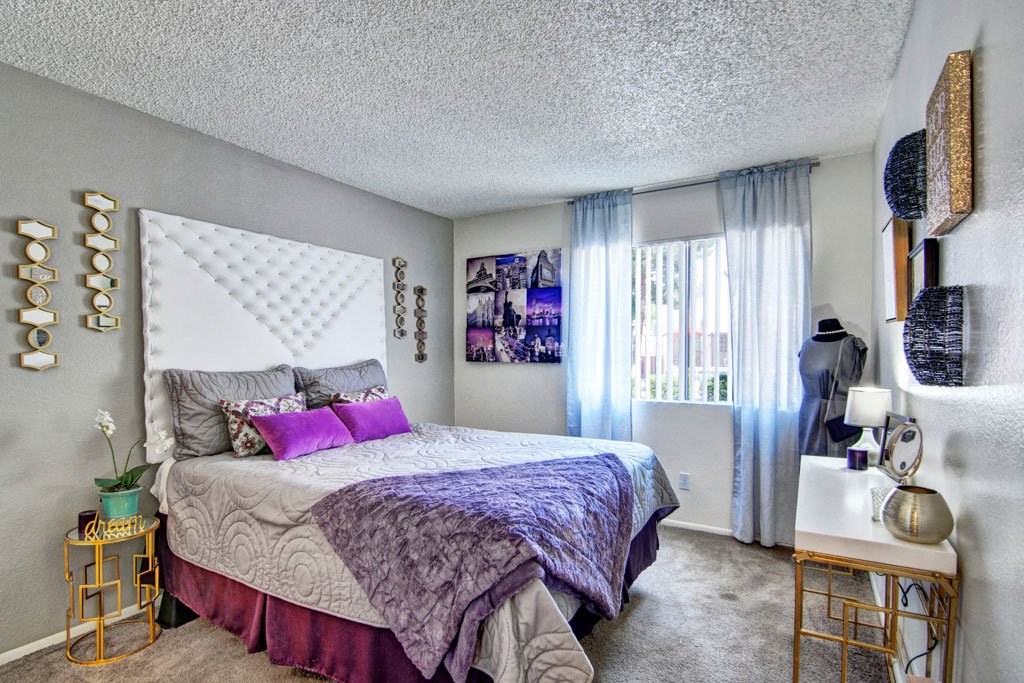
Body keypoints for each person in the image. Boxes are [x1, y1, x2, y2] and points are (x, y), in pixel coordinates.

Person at [797, 318, 867, 456]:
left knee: (841, 460)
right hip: (809, 414)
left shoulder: (851, 346)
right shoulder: (806, 346)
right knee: (809, 461)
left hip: (840, 415)